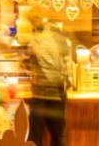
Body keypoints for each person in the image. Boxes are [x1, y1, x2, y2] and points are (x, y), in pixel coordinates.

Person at [24, 9, 72, 146]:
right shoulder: (58, 36)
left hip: (42, 95)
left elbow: (45, 64)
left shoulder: (36, 39)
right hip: (56, 94)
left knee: (35, 138)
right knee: (57, 137)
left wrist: (28, 64)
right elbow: (65, 61)